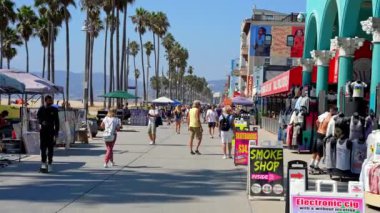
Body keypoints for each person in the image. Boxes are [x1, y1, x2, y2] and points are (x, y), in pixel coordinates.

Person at [37, 95, 60, 172]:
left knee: (50, 149)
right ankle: (43, 164)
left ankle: (50, 164)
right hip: (43, 131)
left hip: (51, 131)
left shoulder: (54, 109)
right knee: (43, 149)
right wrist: (41, 122)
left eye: (51, 100)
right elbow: (38, 118)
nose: (51, 101)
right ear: (45, 100)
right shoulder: (41, 109)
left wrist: (56, 132)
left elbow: (57, 122)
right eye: (49, 100)